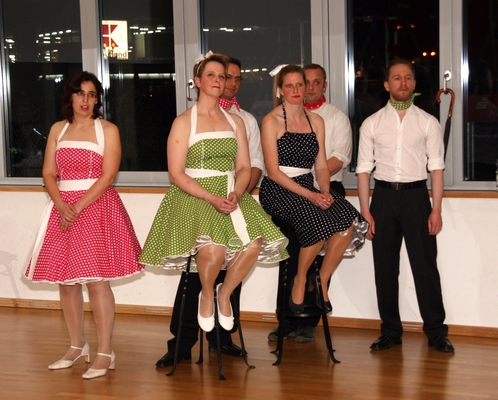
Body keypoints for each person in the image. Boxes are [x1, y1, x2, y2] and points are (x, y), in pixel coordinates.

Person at [139, 52, 288, 358]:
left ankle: (223, 296)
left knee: (253, 244)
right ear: (197, 81)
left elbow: (245, 166)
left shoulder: (237, 121)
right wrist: (210, 197)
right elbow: (176, 173)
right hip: (195, 196)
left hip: (231, 193)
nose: (219, 81)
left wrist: (238, 191)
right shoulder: (184, 122)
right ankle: (191, 325)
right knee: (211, 252)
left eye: (223, 76)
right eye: (212, 75)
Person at [25, 71, 143, 379]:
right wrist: (62, 205)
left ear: (97, 99)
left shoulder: (108, 130)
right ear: (71, 96)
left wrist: (76, 207)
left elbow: (108, 176)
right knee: (66, 282)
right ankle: (77, 346)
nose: (86, 100)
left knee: (97, 281)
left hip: (95, 206)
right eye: (80, 93)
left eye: (92, 94)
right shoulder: (58, 129)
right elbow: (49, 173)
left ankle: (105, 352)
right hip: (63, 208)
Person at [356, 58, 454, 353]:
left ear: (414, 84)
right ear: (387, 85)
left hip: (416, 198)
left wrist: (436, 208)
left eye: (408, 77)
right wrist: (365, 210)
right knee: (385, 268)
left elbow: (436, 169)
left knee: (425, 267)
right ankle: (390, 331)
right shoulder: (372, 124)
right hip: (383, 198)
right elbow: (363, 170)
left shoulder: (428, 122)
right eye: (397, 78)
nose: (403, 82)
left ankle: (436, 331)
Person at [259, 64, 368, 322]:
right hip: (279, 188)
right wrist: (311, 196)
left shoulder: (316, 121)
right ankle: (299, 279)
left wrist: (326, 190)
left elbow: (320, 166)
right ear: (280, 90)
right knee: (319, 225)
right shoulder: (271, 121)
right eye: (290, 85)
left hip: (309, 184)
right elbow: (273, 172)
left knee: (348, 221)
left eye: (300, 84)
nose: (297, 90)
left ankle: (320, 279)